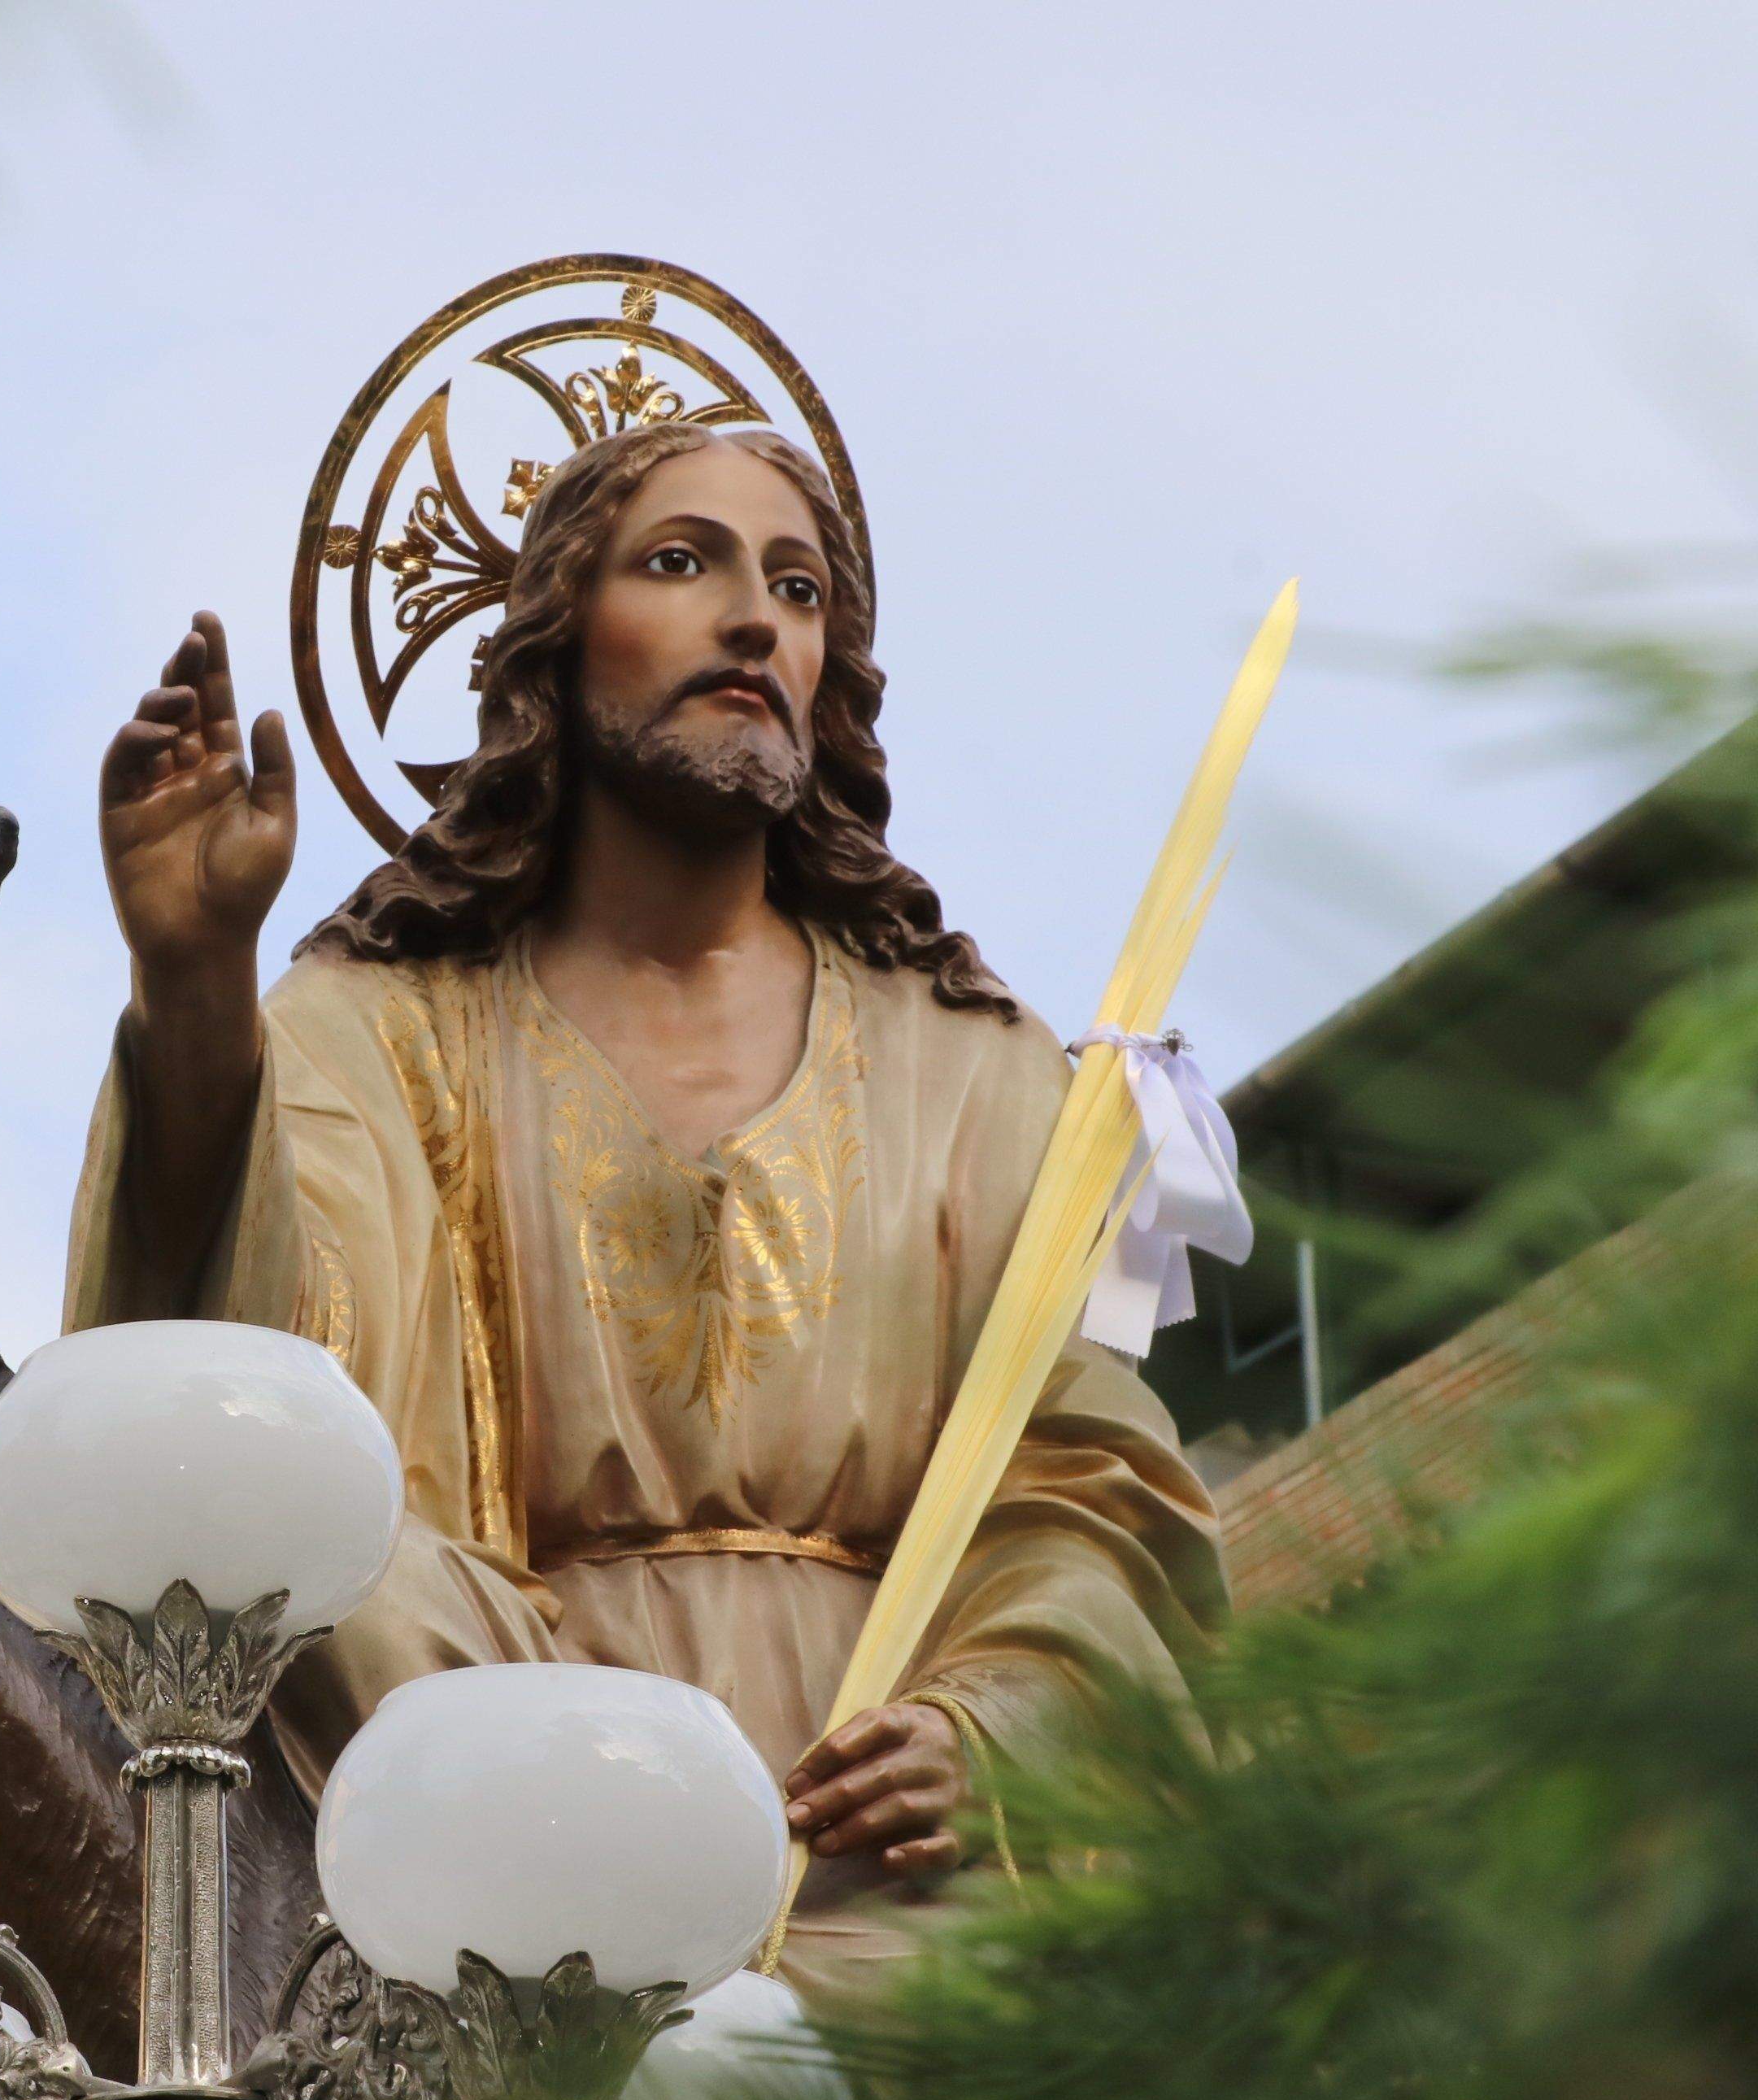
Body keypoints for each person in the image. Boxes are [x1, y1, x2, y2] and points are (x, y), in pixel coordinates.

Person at [63, 418, 1227, 2011]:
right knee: (300, 1515)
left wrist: (1001, 1725)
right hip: (518, 1807)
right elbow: (245, 1383)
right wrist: (194, 984)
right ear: (555, 639)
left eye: (800, 588)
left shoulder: (977, 1069)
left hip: (883, 1858)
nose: (756, 619)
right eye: (683, 562)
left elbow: (1091, 1481)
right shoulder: (384, 1028)